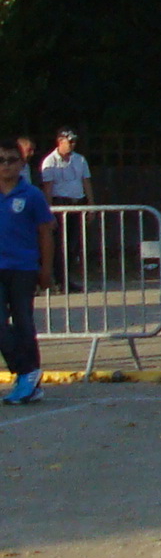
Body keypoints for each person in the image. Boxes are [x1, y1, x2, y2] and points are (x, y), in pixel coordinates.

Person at [0, 143, 54, 404]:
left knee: (24, 322)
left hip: (23, 268)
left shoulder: (31, 194)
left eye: (11, 160)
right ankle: (26, 371)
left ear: (22, 163)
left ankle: (31, 382)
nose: (6, 165)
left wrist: (46, 268)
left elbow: (45, 232)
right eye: (1, 160)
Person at [40, 127, 88, 290]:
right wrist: (48, 211)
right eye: (70, 141)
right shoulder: (50, 161)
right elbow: (48, 188)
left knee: (73, 244)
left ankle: (67, 279)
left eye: (74, 141)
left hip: (77, 203)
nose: (73, 144)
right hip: (60, 205)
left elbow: (86, 182)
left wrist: (91, 206)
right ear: (60, 141)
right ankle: (58, 279)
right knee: (60, 244)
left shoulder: (80, 159)